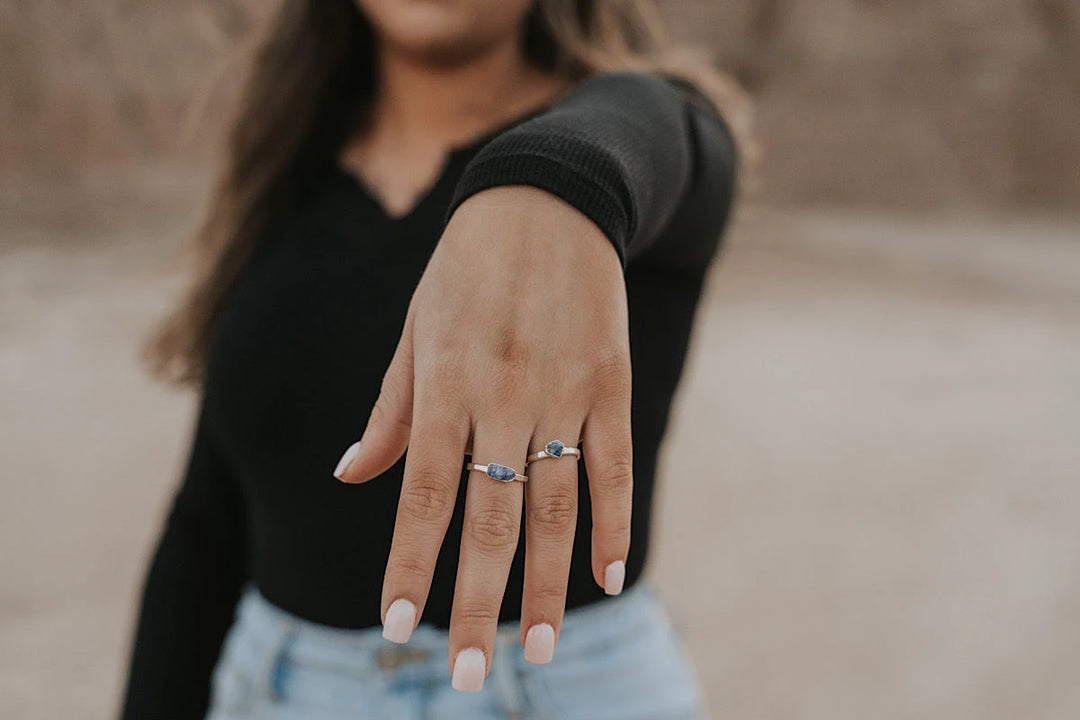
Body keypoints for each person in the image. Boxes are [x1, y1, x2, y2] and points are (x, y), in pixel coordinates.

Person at [119, 0, 741, 717]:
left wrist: (555, 178)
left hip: (554, 688)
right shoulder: (289, 174)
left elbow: (671, 128)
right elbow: (208, 523)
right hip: (278, 688)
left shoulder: (634, 154)